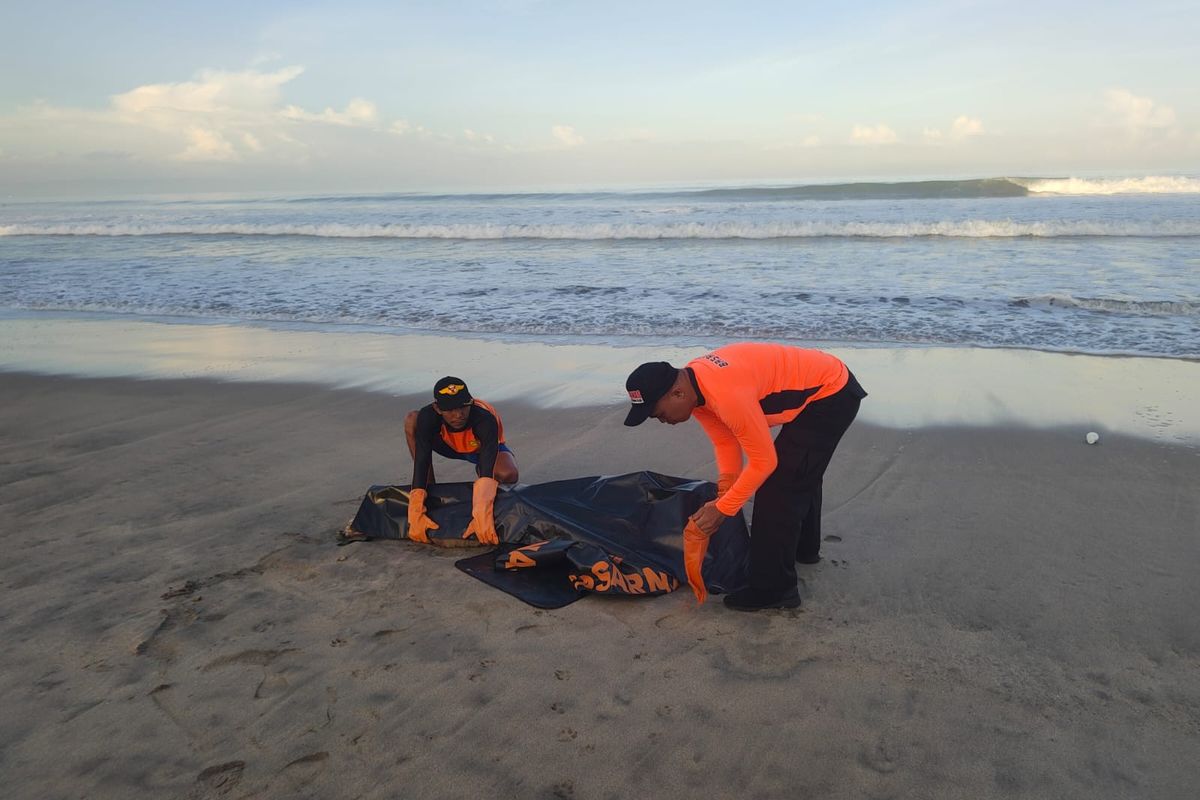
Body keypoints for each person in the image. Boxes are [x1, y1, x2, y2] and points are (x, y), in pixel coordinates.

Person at [623, 343, 866, 612]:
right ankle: (803, 550)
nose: (662, 421)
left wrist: (724, 509)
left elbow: (764, 462)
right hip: (820, 382)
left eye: (658, 414)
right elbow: (726, 442)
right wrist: (725, 491)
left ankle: (774, 590)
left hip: (831, 394)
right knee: (798, 471)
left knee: (777, 489)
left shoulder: (724, 393)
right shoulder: (697, 390)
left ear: (677, 393)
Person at [404, 377, 518, 546]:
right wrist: (416, 509)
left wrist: (481, 512)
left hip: (481, 451)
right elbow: (422, 460)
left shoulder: (485, 418)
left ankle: (487, 491)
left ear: (470, 402)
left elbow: (488, 461)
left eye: (463, 407)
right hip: (448, 445)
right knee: (412, 419)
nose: (458, 415)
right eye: (449, 410)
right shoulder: (429, 416)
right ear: (437, 408)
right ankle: (432, 491)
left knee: (508, 474)